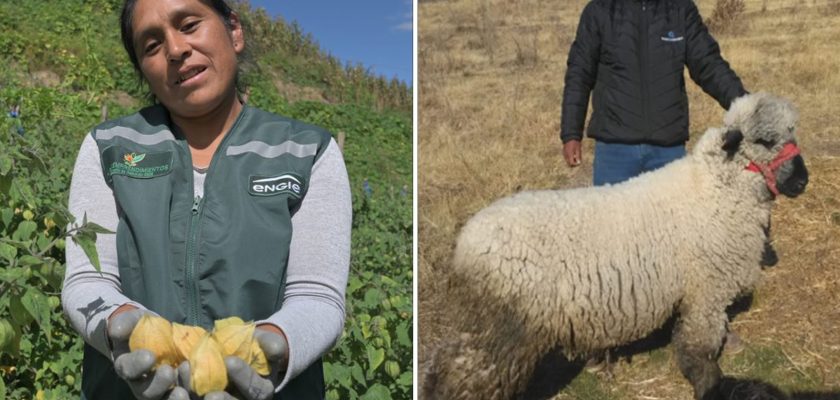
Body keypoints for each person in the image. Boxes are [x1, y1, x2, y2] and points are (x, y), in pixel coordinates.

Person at [61, 0, 352, 399]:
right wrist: (118, 324)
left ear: (234, 30)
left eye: (189, 25)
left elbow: (318, 296)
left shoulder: (305, 151)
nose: (176, 50)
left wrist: (276, 343)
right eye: (151, 45)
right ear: (144, 70)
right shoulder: (109, 148)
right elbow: (87, 280)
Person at [560, 0, 747, 185]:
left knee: (673, 215)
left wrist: (747, 108)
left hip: (668, 151)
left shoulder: (679, 9)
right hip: (614, 151)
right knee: (614, 216)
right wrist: (571, 134)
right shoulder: (600, 10)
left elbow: (709, 65)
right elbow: (579, 75)